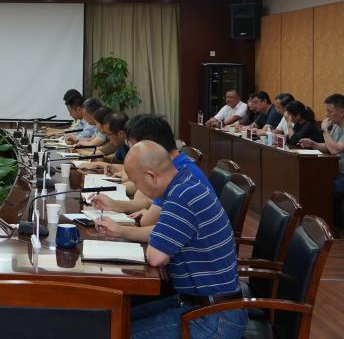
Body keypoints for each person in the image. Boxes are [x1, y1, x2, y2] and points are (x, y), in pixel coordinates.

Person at [122, 141, 246, 338]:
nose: (138, 189)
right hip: (197, 303)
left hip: (215, 318)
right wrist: (165, 250)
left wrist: (164, 253)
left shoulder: (181, 195)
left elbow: (156, 257)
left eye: (136, 182)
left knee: (119, 331)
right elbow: (162, 246)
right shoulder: (185, 181)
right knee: (117, 319)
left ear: (151, 176)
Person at [92, 114, 211, 239]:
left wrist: (121, 228)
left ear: (150, 146)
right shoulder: (176, 165)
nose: (131, 151)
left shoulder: (177, 174)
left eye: (134, 146)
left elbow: (147, 221)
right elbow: (145, 200)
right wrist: (114, 205)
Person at [298, 93, 344, 194]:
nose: (327, 115)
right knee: (309, 179)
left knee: (321, 187)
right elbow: (329, 146)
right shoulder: (336, 126)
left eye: (330, 111)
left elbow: (334, 150)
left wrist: (325, 130)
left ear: (341, 112)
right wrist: (313, 144)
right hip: (339, 172)